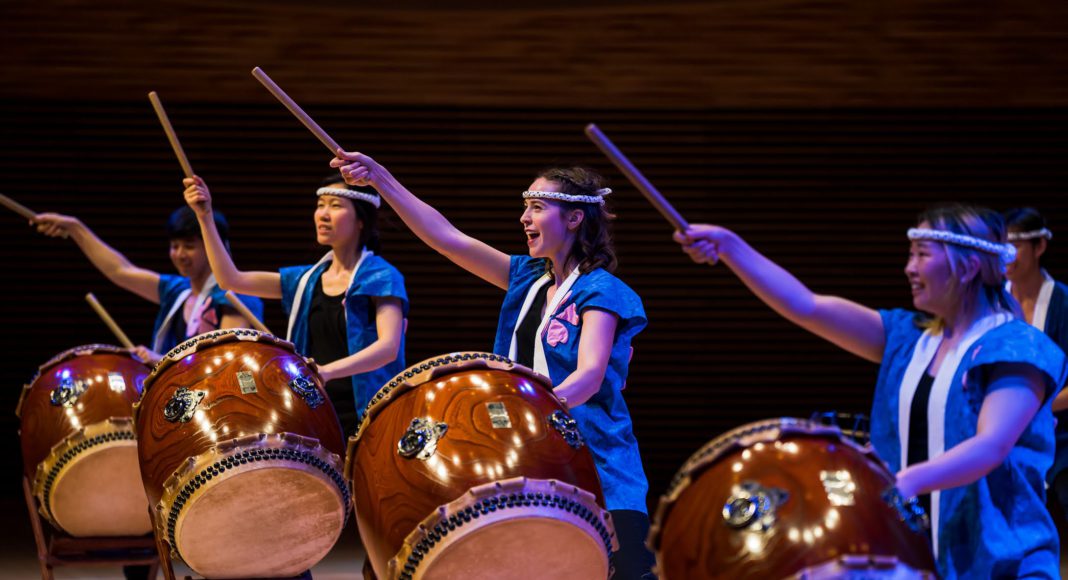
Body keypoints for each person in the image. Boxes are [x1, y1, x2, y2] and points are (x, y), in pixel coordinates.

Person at [674, 205, 1067, 578]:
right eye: (910, 255)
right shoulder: (908, 339)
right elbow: (806, 305)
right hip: (915, 559)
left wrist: (903, 482)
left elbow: (991, 446)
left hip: (1004, 564)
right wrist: (731, 247)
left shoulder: (1018, 347)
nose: (909, 268)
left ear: (967, 267)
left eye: (922, 254)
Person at [331, 151, 656, 579]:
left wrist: (529, 412)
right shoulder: (527, 278)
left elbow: (589, 376)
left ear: (575, 218)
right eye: (525, 206)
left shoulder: (601, 290)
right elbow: (446, 237)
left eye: (537, 207)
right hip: (527, 453)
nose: (524, 217)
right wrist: (381, 179)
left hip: (596, 461)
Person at [182, 174, 407, 432]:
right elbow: (230, 280)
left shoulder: (381, 276)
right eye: (320, 205)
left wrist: (327, 371)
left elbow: (388, 347)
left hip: (369, 415)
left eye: (335, 205)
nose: (323, 214)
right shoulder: (305, 280)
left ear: (360, 220)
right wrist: (205, 216)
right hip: (315, 410)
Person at [33, 207, 263, 363]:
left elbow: (225, 360)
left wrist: (162, 361)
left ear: (214, 246)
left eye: (189, 246)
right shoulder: (177, 291)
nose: (179, 254)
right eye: (174, 246)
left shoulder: (237, 296)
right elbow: (120, 270)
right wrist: (75, 228)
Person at [1003, 208, 1068, 524]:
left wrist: (1030, 410)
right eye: (1000, 246)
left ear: (1039, 246)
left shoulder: (1064, 304)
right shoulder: (992, 303)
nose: (1006, 256)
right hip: (1000, 432)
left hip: (1062, 433)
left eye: (1014, 246)